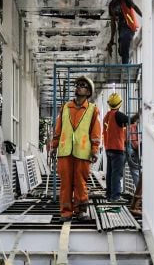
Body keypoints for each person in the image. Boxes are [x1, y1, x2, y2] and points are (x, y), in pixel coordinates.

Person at [49, 76, 101, 222]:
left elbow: (96, 131)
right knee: (65, 183)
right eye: (77, 84)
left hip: (83, 152)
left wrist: (94, 149)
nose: (78, 87)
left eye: (82, 85)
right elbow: (58, 129)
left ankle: (81, 211)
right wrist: (54, 146)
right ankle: (66, 213)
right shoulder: (65, 108)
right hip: (65, 151)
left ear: (89, 92)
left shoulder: (92, 110)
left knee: (80, 182)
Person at [102, 92, 139, 202]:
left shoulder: (107, 116)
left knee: (110, 173)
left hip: (108, 148)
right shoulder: (117, 115)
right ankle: (115, 197)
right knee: (116, 174)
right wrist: (139, 114)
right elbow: (130, 121)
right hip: (117, 148)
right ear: (120, 103)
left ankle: (109, 194)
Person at [104, 0, 142, 64]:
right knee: (121, 51)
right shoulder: (111, 6)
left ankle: (125, 67)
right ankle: (127, 62)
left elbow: (134, 7)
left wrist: (144, 16)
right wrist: (111, 40)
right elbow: (113, 24)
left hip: (129, 26)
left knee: (124, 41)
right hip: (121, 29)